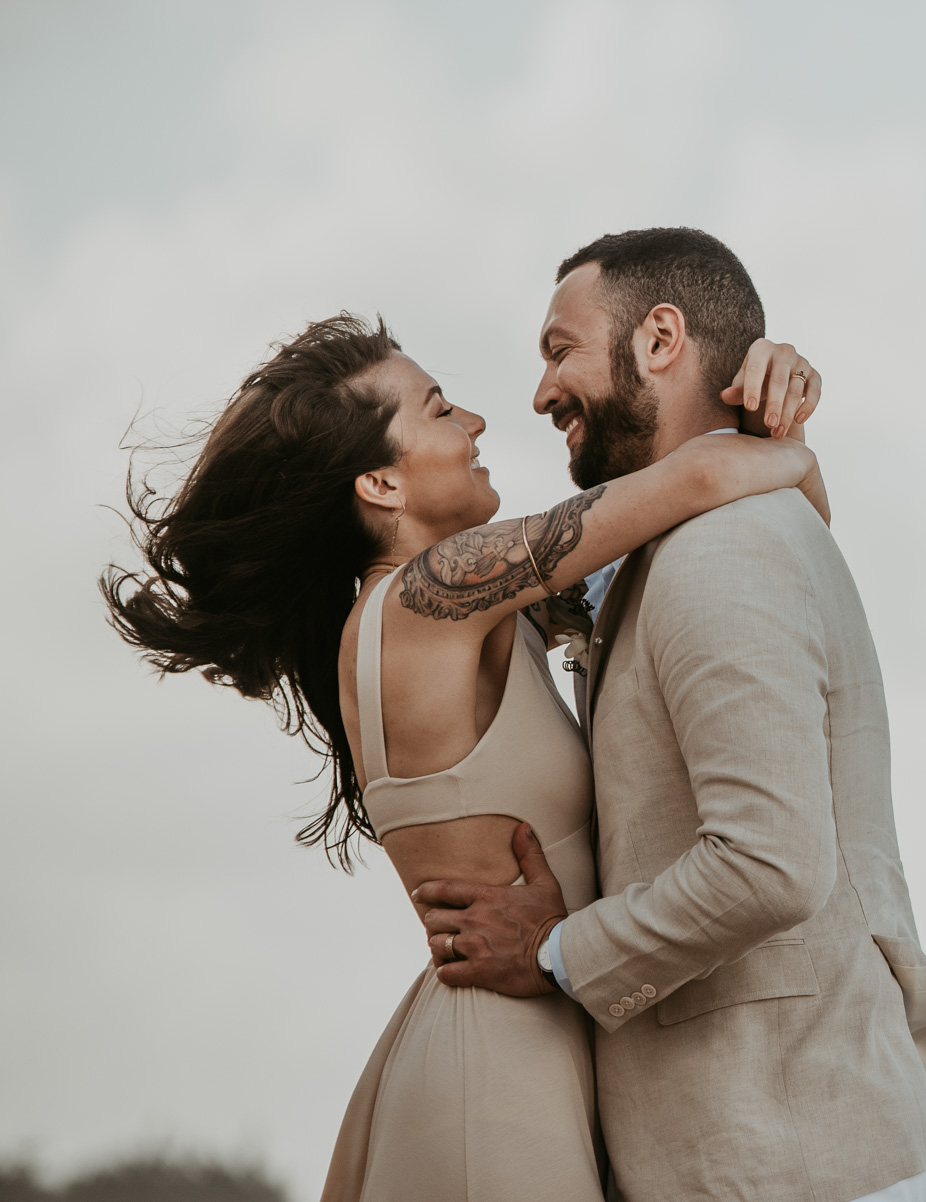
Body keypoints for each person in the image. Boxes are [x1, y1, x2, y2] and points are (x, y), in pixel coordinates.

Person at [102, 311, 826, 1200]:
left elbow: (752, 532)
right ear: (380, 482)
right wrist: (784, 422)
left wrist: (772, 415)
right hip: (498, 1077)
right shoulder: (432, 594)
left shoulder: (462, 612)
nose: (477, 423)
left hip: (509, 1054)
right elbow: (715, 473)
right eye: (440, 410)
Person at [412, 228, 926, 1202]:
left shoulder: (724, 550)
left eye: (559, 350)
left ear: (661, 337)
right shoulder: (701, 530)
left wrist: (554, 951)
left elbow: (770, 859)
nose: (541, 393)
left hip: (779, 1146)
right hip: (765, 1141)